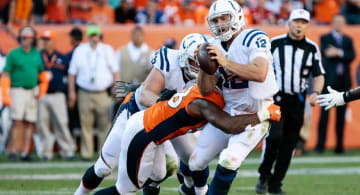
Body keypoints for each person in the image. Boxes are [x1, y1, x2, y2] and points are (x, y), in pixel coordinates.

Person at [74, 33, 208, 195]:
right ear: (183, 58)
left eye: (202, 60)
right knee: (104, 167)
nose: (200, 65)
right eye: (195, 60)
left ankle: (190, 187)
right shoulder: (169, 62)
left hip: (166, 119)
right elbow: (146, 95)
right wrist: (165, 104)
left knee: (167, 169)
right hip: (137, 114)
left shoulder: (209, 75)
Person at [93, 84, 281, 195]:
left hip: (147, 129)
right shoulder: (204, 101)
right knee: (126, 189)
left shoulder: (199, 87)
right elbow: (230, 124)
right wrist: (264, 114)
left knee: (161, 173)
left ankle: (192, 188)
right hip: (143, 133)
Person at [187, 0, 279, 195]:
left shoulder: (252, 37)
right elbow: (205, 90)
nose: (220, 24)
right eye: (216, 20)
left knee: (229, 159)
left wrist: (225, 62)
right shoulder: (213, 44)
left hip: (257, 111)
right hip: (229, 111)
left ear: (237, 17)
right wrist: (205, 66)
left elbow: (259, 73)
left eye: (224, 18)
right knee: (195, 162)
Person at [256, 9, 325, 194]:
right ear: (289, 23)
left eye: (303, 22)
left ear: (307, 25)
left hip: (298, 100)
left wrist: (316, 92)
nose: (299, 25)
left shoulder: (311, 48)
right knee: (274, 137)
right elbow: (262, 69)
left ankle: (275, 184)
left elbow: (318, 74)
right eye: (296, 21)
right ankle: (264, 174)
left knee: (289, 145)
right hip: (276, 99)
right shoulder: (275, 43)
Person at [68, 25, 120, 160]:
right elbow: (72, 74)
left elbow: (115, 72)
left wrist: (117, 89)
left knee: (105, 124)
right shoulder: (79, 50)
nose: (94, 38)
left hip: (103, 93)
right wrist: (72, 92)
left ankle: (104, 153)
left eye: (96, 35)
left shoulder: (107, 50)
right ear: (87, 36)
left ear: (99, 36)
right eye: (91, 35)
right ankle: (87, 153)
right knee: (86, 124)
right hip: (84, 92)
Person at [1, 26, 49, 161]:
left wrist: (43, 87)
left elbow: (41, 73)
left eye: (29, 37)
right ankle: (11, 150)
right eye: (23, 37)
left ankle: (25, 152)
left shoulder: (36, 54)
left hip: (32, 91)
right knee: (16, 121)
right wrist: (5, 94)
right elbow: (5, 74)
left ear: (33, 39)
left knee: (30, 122)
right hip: (18, 90)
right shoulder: (13, 54)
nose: (26, 40)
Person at [315, 14, 355, 154]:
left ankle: (339, 146)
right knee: (324, 116)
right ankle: (320, 146)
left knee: (340, 117)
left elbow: (351, 56)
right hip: (329, 82)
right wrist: (341, 54)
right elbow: (327, 53)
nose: (339, 25)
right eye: (337, 22)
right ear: (332, 23)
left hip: (343, 82)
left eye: (342, 22)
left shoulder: (348, 39)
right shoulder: (325, 38)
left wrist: (338, 52)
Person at [37, 30, 75, 160]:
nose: (46, 42)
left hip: (58, 94)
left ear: (53, 41)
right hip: (41, 94)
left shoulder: (62, 57)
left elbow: (69, 76)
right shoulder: (37, 56)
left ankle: (67, 151)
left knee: (61, 123)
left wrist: (70, 93)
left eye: (48, 40)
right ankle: (45, 152)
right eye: (44, 40)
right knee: (42, 124)